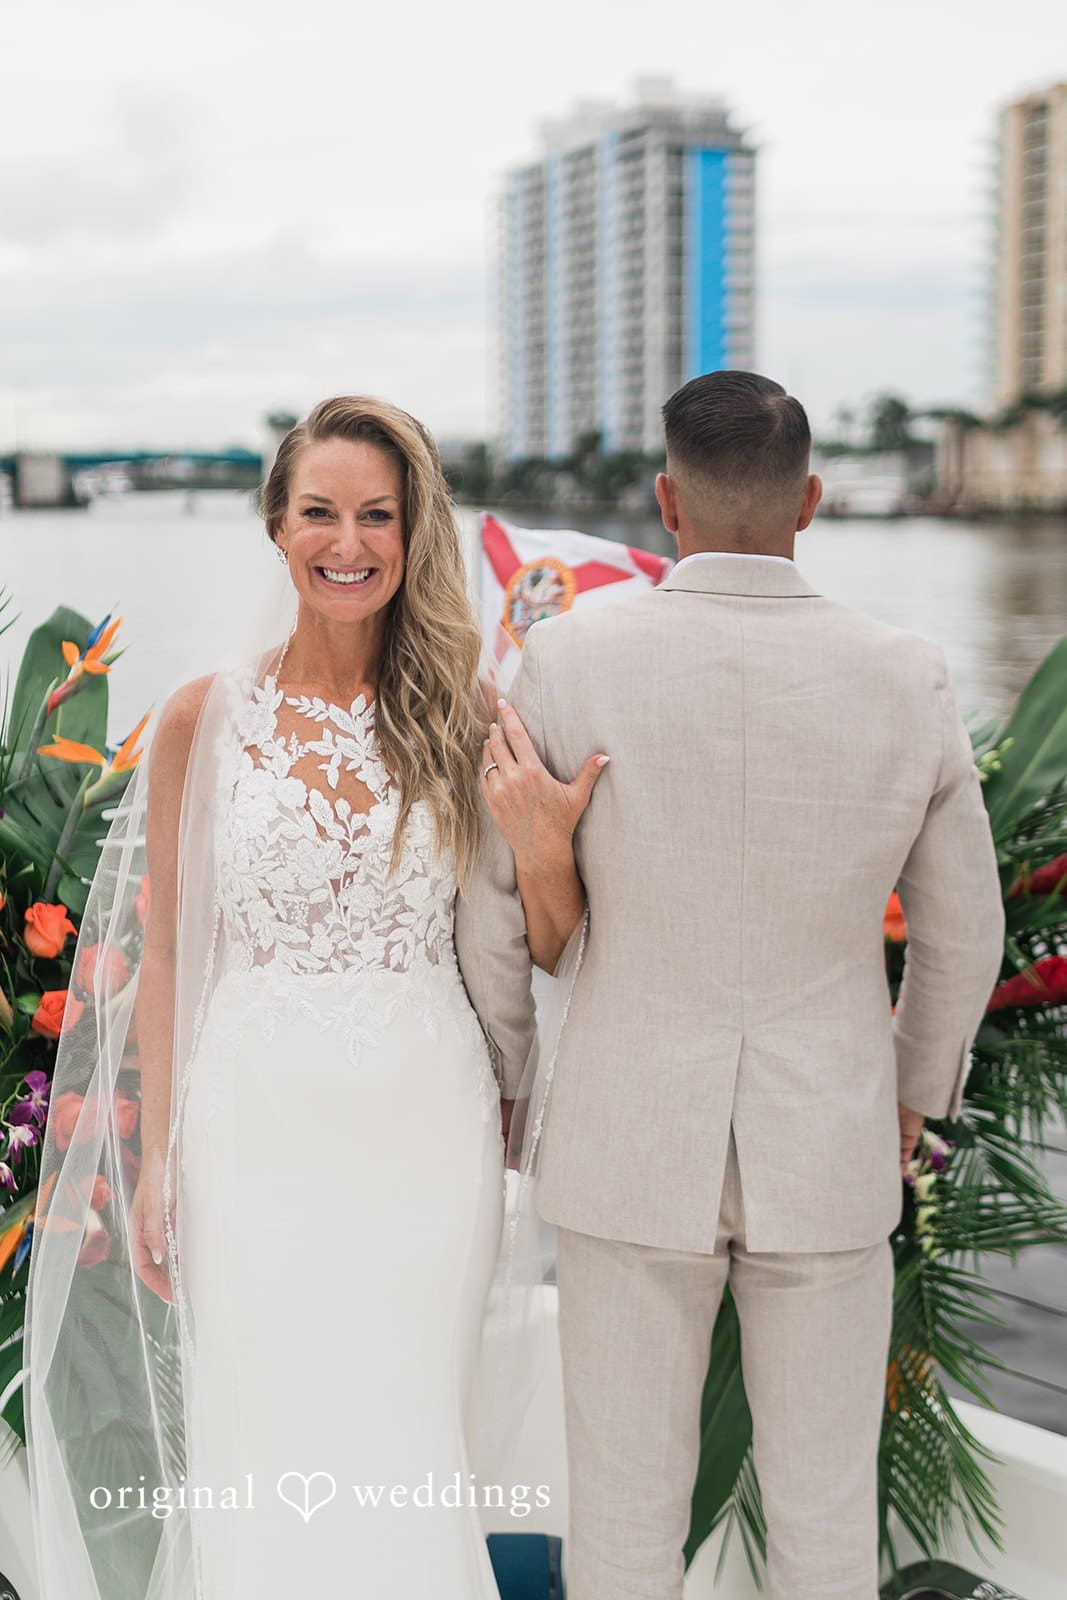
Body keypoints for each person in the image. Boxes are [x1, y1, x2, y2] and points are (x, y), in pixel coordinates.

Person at [457, 369, 1007, 1600]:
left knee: (621, 1526)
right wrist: (912, 1091)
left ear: (665, 502)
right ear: (809, 498)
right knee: (822, 1527)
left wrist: (512, 1080)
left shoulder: (567, 656)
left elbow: (494, 901)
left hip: (621, 1135)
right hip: (829, 1141)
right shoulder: (905, 672)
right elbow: (961, 932)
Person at [25, 395, 556, 1600]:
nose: (348, 541)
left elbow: (531, 926)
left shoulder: (463, 713)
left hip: (425, 1132)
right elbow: (167, 951)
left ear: (412, 533)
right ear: (275, 524)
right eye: (319, 511)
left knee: (406, 1433)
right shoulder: (202, 717)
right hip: (250, 1131)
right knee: (261, 1437)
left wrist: (550, 845)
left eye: (377, 514)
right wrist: (156, 1154)